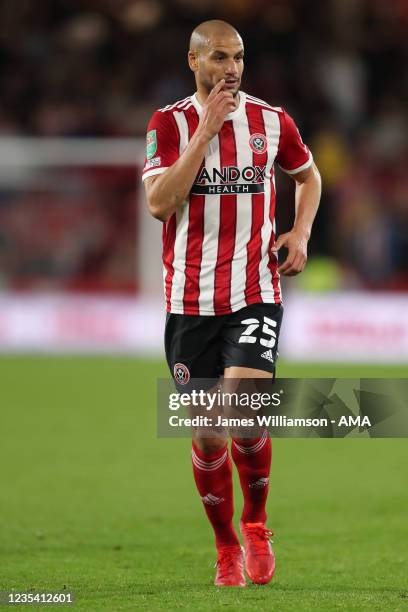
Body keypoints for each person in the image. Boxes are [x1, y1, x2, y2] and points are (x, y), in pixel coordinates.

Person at [142, 19, 321, 587]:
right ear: (192, 61)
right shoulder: (168, 124)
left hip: (254, 292)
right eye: (219, 58)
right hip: (189, 300)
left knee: (241, 414)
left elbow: (309, 177)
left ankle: (256, 523)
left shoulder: (272, 120)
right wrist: (206, 132)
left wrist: (301, 233)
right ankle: (225, 548)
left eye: (238, 57)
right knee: (207, 433)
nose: (232, 69)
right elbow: (158, 204)